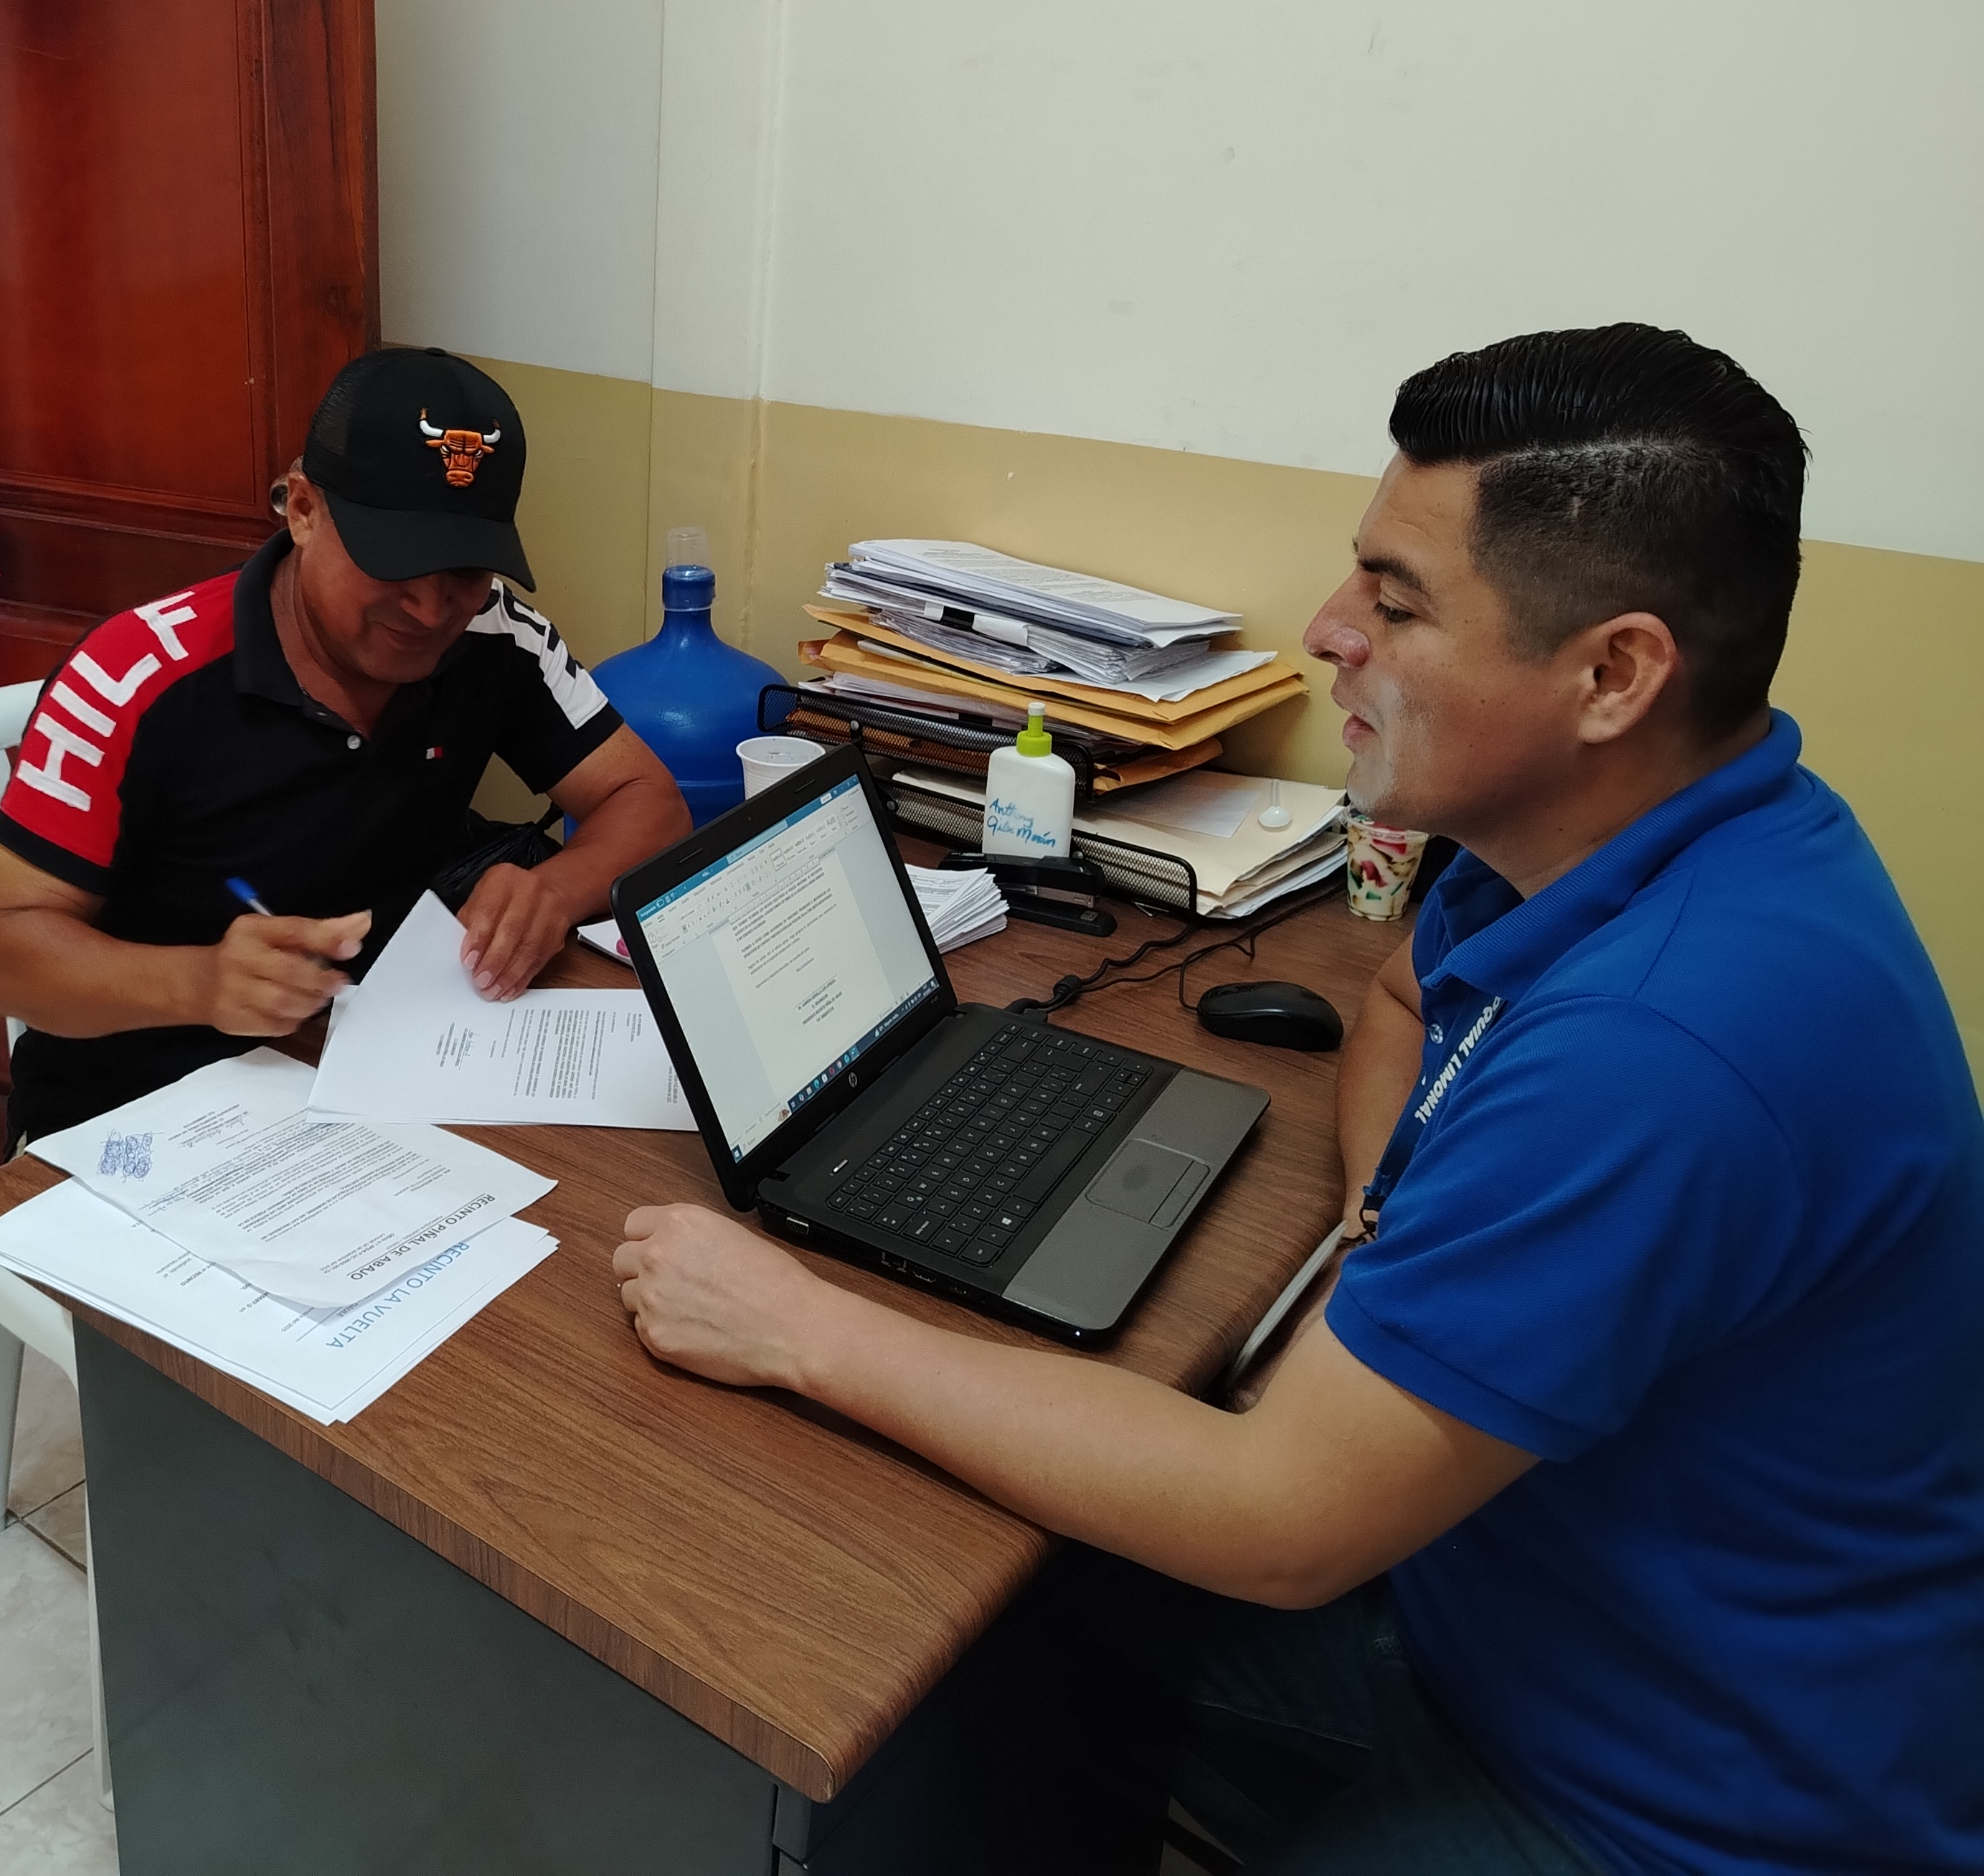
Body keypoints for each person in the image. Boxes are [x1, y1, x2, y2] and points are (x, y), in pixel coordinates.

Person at [610, 325, 1984, 1874]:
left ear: (1612, 674)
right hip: (1510, 1597)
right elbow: (1400, 1001)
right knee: (991, 1643)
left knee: (957, 1614)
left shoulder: (1659, 1046)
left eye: (1395, 603)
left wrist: (796, 1326)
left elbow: (1280, 1522)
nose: (1328, 631)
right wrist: (1382, 1235)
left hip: (1674, 1799)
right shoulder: (1634, 841)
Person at [0, 345, 692, 1149]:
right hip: (135, 1114)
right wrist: (200, 982)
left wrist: (553, 890)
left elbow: (649, 802)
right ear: (304, 510)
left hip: (374, 1067)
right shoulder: (135, 676)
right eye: (394, 563)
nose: (431, 608)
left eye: (465, 569)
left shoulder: (496, 636)